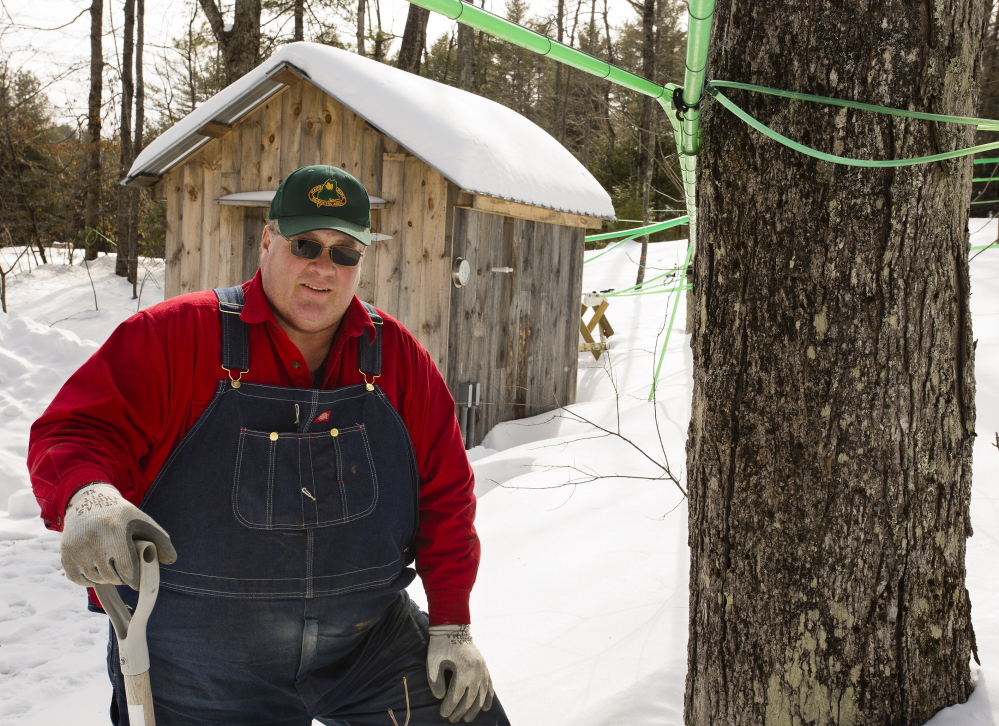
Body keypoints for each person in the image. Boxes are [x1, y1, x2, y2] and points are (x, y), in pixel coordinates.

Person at [28, 165, 509, 726]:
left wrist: (452, 622)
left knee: (468, 717)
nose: (322, 268)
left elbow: (446, 494)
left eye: (344, 252)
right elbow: (76, 430)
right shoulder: (179, 336)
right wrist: (89, 496)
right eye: (304, 244)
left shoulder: (398, 360)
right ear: (267, 239)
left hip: (364, 645)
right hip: (200, 660)